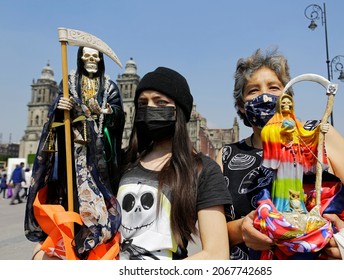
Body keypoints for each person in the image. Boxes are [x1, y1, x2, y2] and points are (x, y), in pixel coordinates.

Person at [216, 48, 344, 260]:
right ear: (241, 106)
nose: (265, 97)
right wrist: (242, 229)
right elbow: (212, 233)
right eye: (253, 91)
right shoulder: (226, 156)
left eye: (274, 87)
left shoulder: (321, 135)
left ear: (288, 96)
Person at [118, 66, 232, 260]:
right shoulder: (124, 162)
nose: (150, 108)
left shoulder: (202, 170)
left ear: (179, 111)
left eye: (160, 102)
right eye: (143, 103)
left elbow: (217, 254)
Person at [25, 46, 124, 260]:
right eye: (86, 56)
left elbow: (118, 114)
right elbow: (58, 111)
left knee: (102, 195)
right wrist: (60, 105)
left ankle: (100, 237)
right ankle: (71, 236)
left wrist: (106, 111)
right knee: (70, 195)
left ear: (100, 60)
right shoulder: (68, 83)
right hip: (73, 152)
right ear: (80, 58)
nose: (91, 60)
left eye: (95, 57)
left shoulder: (110, 86)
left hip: (99, 154)